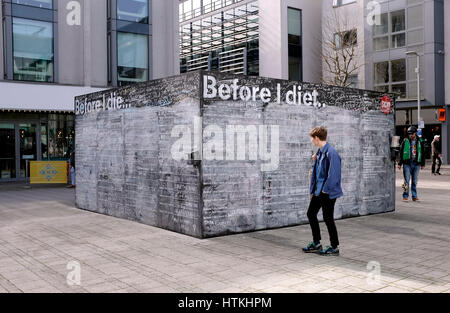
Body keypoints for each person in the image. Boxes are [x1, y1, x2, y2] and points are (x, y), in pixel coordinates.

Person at [302, 126, 343, 256]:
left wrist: (326, 190)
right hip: (319, 190)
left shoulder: (332, 153)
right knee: (311, 213)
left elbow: (334, 174)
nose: (311, 141)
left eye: (312, 139)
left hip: (327, 191)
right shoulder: (320, 153)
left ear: (317, 138)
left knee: (327, 217)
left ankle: (334, 246)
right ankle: (317, 243)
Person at [398, 126, 425, 201]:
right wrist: (400, 163)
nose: (410, 135)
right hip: (407, 163)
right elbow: (401, 152)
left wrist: (423, 164)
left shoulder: (420, 140)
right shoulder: (405, 140)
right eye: (409, 134)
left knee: (414, 181)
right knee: (406, 181)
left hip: (416, 164)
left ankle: (414, 196)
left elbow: (422, 152)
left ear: (415, 133)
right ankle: (405, 196)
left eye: (412, 134)